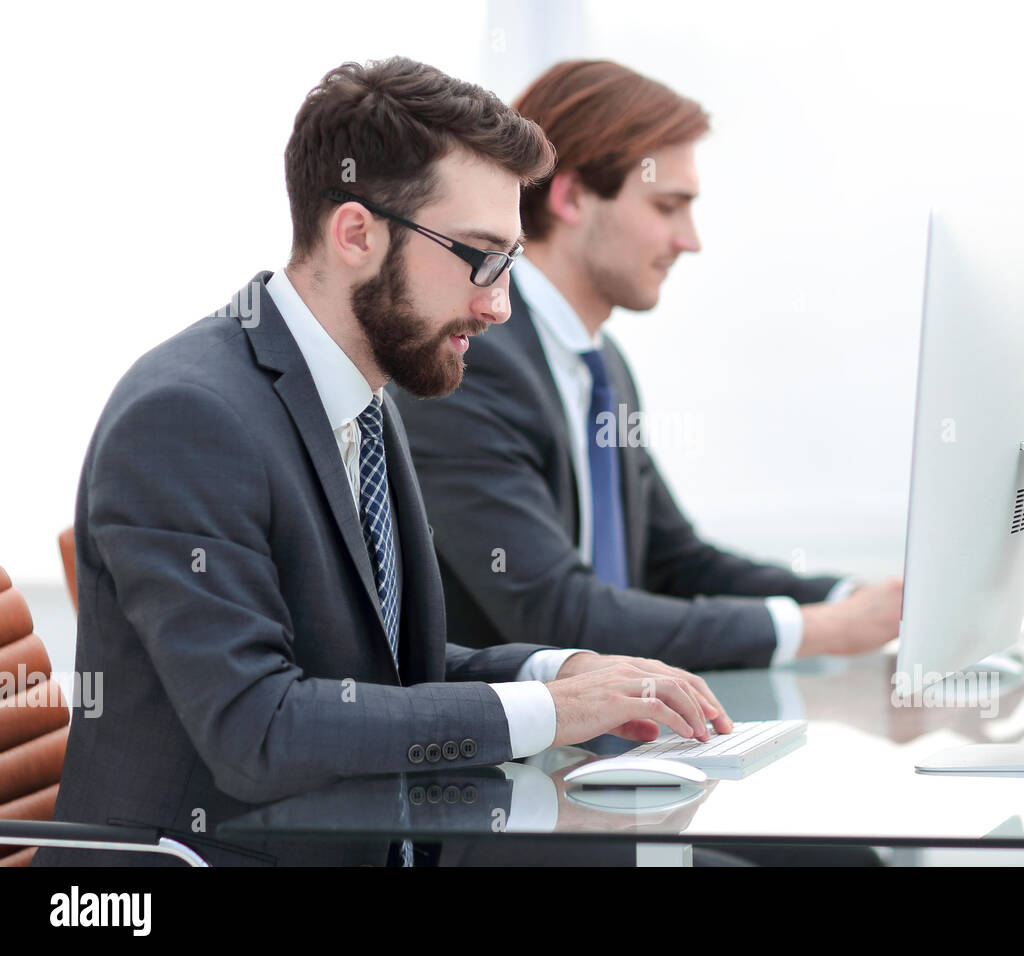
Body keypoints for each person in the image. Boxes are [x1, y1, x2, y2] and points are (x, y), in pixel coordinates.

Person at [32, 57, 731, 868]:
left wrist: (568, 670)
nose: (499, 304)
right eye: (478, 255)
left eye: (508, 260)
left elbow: (378, 667)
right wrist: (545, 709)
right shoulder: (188, 417)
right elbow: (259, 727)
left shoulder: (364, 394)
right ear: (357, 232)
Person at [388, 60, 904, 672]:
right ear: (573, 196)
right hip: (500, 754)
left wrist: (851, 601)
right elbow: (559, 614)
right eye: (668, 206)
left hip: (594, 742)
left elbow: (675, 563)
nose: (690, 240)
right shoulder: (471, 360)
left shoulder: (601, 366)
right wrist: (821, 629)